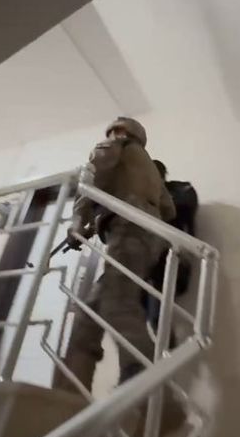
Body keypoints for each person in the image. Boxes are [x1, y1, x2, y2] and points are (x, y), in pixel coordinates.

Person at [57, 117, 176, 391]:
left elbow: (90, 180)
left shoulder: (113, 146)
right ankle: (68, 393)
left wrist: (78, 222)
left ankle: (150, 390)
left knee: (118, 305)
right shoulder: (151, 167)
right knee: (89, 315)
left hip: (128, 230)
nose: (112, 134)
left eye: (115, 130)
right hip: (149, 238)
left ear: (122, 132)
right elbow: (169, 209)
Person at [143, 160, 198, 340]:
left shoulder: (180, 192)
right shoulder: (141, 199)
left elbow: (184, 206)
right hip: (146, 265)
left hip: (170, 261)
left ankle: (163, 341)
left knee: (157, 318)